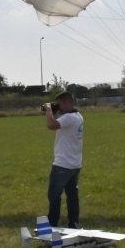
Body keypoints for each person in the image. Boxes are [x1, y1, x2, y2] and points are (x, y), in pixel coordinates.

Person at [43, 92, 83, 228]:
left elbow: (51, 125)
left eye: (59, 104)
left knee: (54, 196)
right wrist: (53, 112)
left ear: (66, 103)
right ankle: (73, 224)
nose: (58, 107)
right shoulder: (78, 116)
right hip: (74, 164)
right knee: (72, 197)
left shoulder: (69, 118)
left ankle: (52, 224)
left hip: (62, 165)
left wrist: (49, 110)